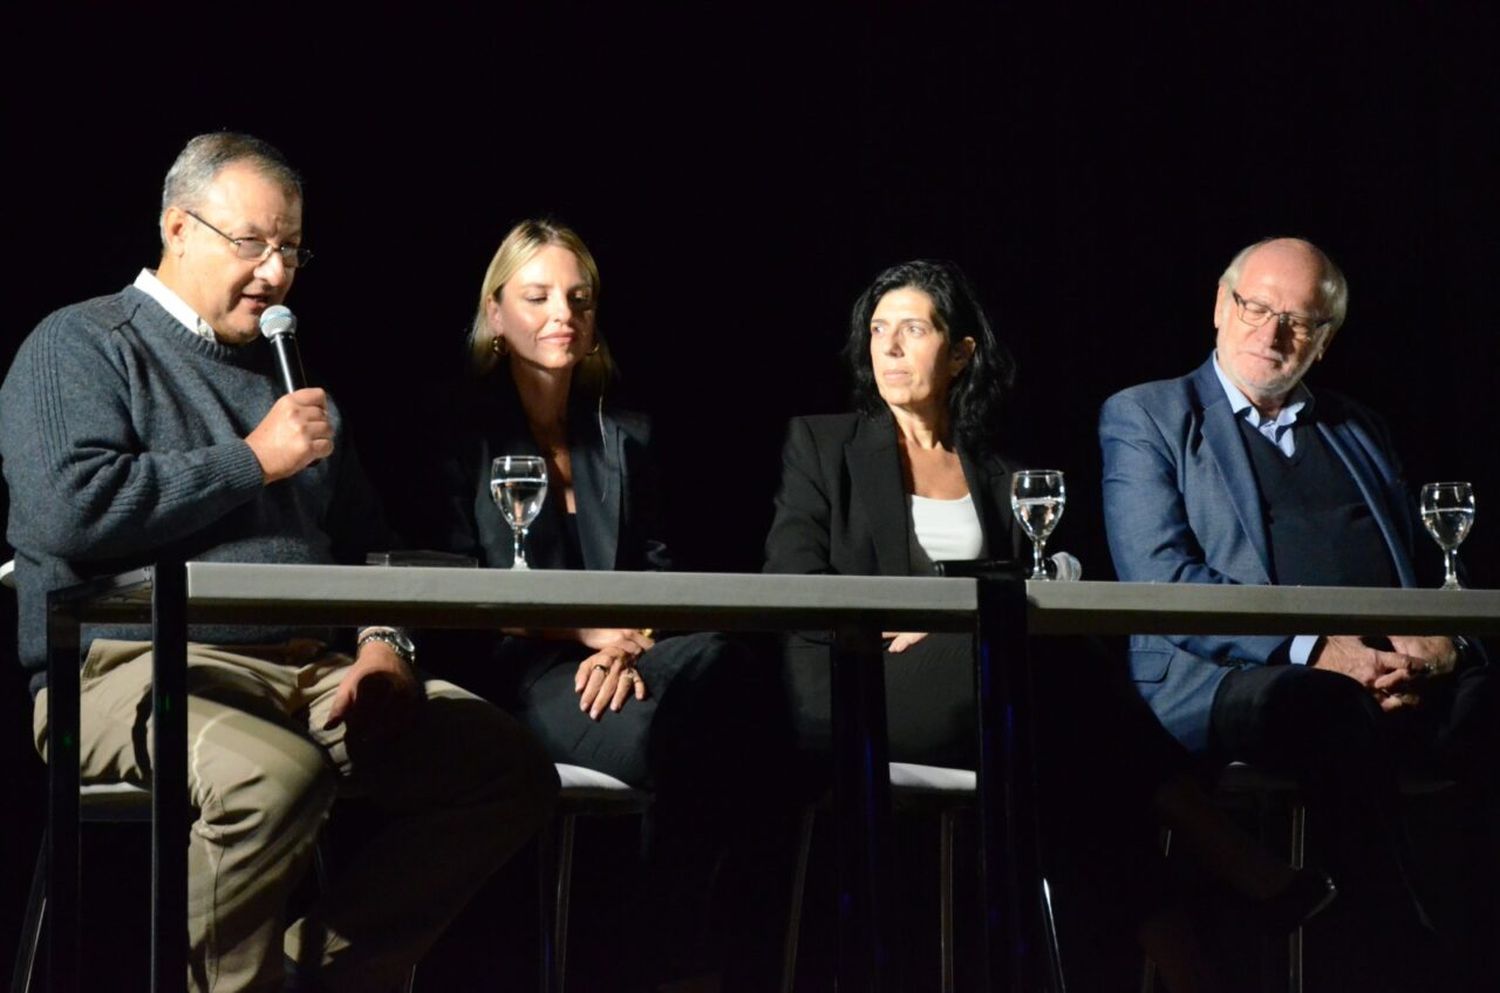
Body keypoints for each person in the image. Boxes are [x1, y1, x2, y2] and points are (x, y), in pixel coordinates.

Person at [0, 133, 558, 993]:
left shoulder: (297, 389)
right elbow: (68, 510)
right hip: (123, 665)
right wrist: (252, 459)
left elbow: (372, 545)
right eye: (251, 243)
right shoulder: (80, 344)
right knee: (275, 780)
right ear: (177, 227)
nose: (275, 272)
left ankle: (306, 977)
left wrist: (385, 643)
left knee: (506, 767)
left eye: (291, 248)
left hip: (304, 667)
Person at [765, 258, 1330, 992]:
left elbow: (1037, 576)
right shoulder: (822, 443)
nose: (890, 347)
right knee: (1050, 674)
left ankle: (1195, 974)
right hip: (855, 678)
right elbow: (794, 577)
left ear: (962, 351)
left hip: (985, 691)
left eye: (913, 328)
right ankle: (1227, 853)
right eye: (878, 330)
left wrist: (975, 611)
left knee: (1069, 777)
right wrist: (930, 619)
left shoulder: (997, 467)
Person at [1099, 236, 1498, 990]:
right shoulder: (1147, 414)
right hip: (1224, 677)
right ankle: (1395, 945)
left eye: (1299, 321)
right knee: (1326, 706)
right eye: (1254, 307)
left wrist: (1441, 647)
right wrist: (1319, 649)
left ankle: (1472, 938)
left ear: (1326, 340)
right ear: (1221, 306)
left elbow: (1435, 573)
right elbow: (1163, 582)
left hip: (1384, 671)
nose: (1271, 333)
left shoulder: (1360, 431)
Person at [429, 218, 794, 992]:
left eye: (579, 298)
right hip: (523, 671)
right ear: (496, 313)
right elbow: (452, 587)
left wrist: (625, 643)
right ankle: (673, 953)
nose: (562, 313)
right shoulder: (458, 435)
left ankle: (679, 945)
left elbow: (656, 575)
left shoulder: (626, 436)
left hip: (628, 655)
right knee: (710, 731)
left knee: (732, 664)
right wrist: (584, 629)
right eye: (538, 296)